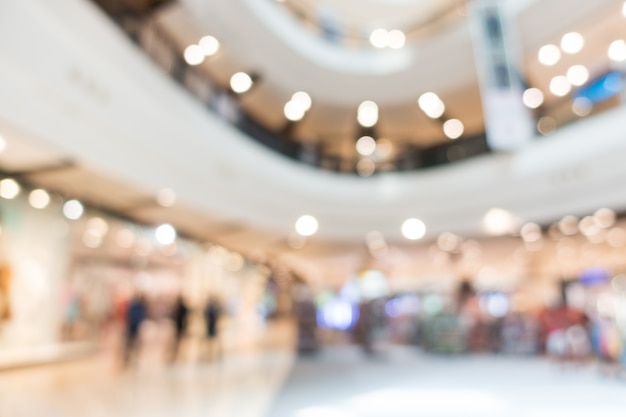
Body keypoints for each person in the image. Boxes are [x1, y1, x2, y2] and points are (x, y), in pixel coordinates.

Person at [123, 293, 147, 366]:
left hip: (136, 327)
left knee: (134, 344)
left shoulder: (140, 307)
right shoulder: (134, 306)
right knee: (129, 344)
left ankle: (133, 358)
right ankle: (127, 358)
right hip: (132, 327)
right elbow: (130, 316)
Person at [170, 295, 189, 362]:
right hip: (179, 325)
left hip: (180, 325)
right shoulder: (179, 307)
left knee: (180, 340)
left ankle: (179, 354)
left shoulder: (180, 307)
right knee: (178, 340)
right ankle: (178, 354)